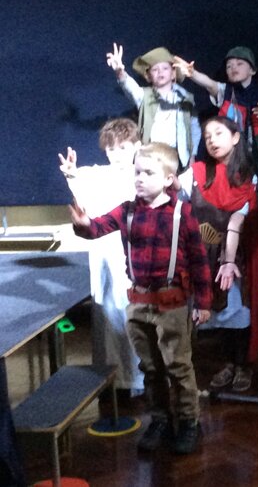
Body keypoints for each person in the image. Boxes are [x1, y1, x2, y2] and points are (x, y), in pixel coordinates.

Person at [69, 142, 212, 455]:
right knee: (150, 367)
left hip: (172, 303)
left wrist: (203, 302)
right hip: (139, 303)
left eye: (148, 173)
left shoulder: (181, 214)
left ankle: (189, 421)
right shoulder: (127, 210)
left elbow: (199, 261)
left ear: (168, 179)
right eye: (137, 172)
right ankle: (161, 419)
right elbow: (97, 228)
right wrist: (83, 225)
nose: (140, 178)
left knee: (178, 366)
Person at [177, 116, 258, 393]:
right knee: (215, 311)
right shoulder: (196, 173)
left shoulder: (247, 177)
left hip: (235, 255)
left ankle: (243, 364)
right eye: (207, 136)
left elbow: (237, 221)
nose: (212, 140)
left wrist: (229, 261)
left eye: (218, 133)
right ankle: (228, 362)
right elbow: (172, 198)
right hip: (202, 256)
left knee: (237, 310)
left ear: (235, 137)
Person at [58, 118, 144, 395]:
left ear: (137, 146)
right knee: (106, 317)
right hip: (104, 254)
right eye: (111, 148)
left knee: (131, 316)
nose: (116, 154)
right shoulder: (99, 175)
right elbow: (83, 188)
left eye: (123, 147)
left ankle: (137, 380)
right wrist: (72, 174)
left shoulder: (143, 174)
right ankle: (112, 379)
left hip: (133, 255)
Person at [173, 46, 258, 176]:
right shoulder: (226, 91)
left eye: (239, 64)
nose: (233, 68)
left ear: (252, 70)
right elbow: (210, 84)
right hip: (232, 158)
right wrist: (193, 73)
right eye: (229, 66)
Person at [106, 42, 201, 170]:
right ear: (148, 76)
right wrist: (119, 71)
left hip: (179, 157)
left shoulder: (186, 98)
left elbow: (194, 127)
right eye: (155, 69)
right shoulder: (144, 96)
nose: (160, 72)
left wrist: (193, 155)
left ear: (173, 73)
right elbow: (130, 87)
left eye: (165, 68)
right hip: (151, 155)